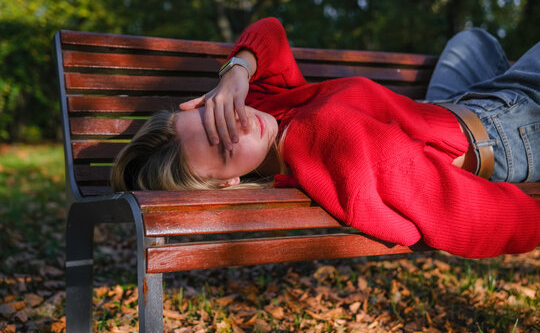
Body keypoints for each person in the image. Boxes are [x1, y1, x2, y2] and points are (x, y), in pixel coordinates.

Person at [111, 17, 540, 258]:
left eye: (215, 113)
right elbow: (469, 217)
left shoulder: (268, 119)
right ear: (228, 183)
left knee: (471, 39)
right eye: (224, 142)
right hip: (514, 128)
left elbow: (270, 33)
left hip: (456, 106)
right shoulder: (335, 143)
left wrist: (235, 74)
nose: (238, 121)